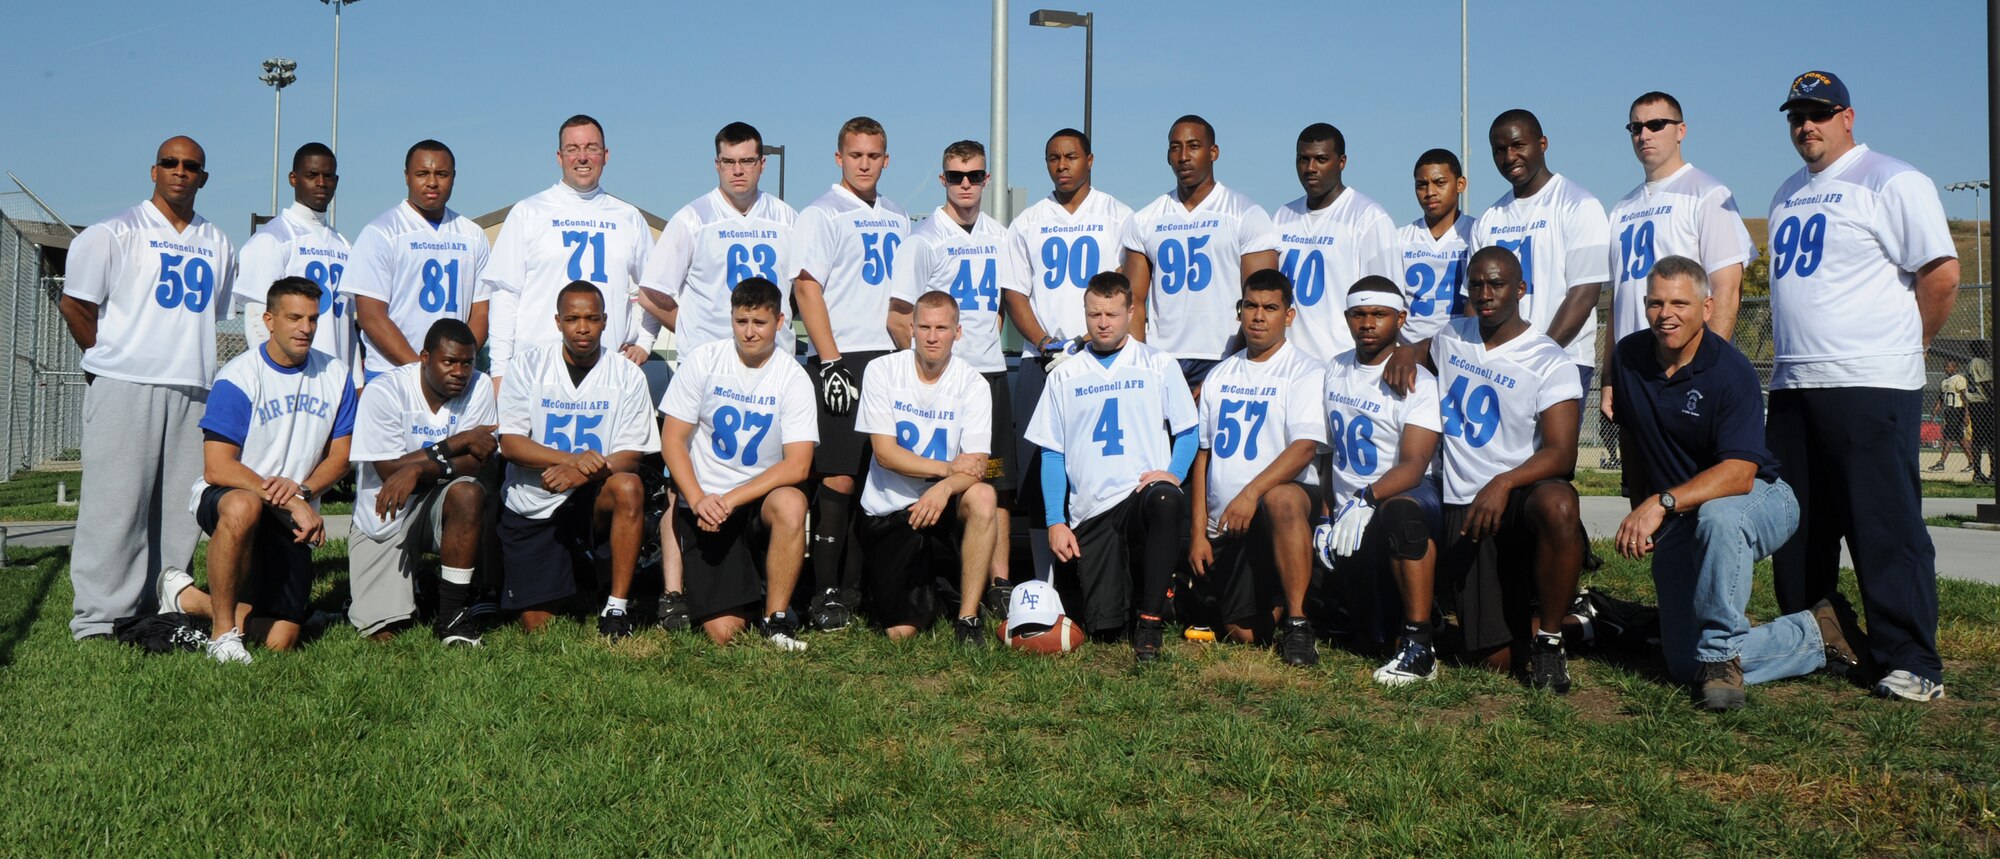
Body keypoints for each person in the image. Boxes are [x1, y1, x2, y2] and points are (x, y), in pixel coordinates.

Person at [1764, 71, 1960, 702]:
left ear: (1847, 116)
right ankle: (1813, 634)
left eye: (1819, 113)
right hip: (1796, 382)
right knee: (1798, 526)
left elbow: (1941, 273)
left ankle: (1911, 659)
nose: (1806, 126)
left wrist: (1909, 346)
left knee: (1883, 524)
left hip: (1871, 381)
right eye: (1796, 115)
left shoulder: (1891, 178)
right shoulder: (1787, 192)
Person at [1610, 255, 1860, 710]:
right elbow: (1633, 433)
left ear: (1707, 308)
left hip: (1759, 498)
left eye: (1680, 303)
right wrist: (1641, 501)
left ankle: (1722, 656)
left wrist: (1660, 502)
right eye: (1655, 303)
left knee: (1718, 516)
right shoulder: (1628, 357)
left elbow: (1740, 473)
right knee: (1685, 664)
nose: (1666, 314)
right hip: (1681, 512)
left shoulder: (1731, 371)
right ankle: (1814, 633)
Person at [58, 135, 236, 641]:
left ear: (203, 177)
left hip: (193, 385)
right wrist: (104, 360)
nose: (180, 171)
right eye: (170, 163)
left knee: (180, 511)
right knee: (116, 505)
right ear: (153, 170)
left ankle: (164, 604)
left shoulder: (218, 242)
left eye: (192, 165)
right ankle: (97, 617)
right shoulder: (114, 232)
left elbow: (211, 315)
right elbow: (76, 304)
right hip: (127, 383)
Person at [156, 276, 354, 663]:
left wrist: (302, 493)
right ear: (268, 319)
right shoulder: (238, 376)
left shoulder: (337, 375)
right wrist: (286, 498)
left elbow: (341, 458)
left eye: (313, 319)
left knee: (284, 638)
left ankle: (189, 598)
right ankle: (223, 635)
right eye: (294, 317)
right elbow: (217, 467)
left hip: (291, 504)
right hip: (231, 495)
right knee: (244, 506)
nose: (306, 328)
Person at [1426, 247, 1587, 692]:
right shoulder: (1450, 337)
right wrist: (1405, 355)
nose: (1484, 293)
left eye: (1496, 284)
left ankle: (1552, 642)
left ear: (1520, 289)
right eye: (1475, 284)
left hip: (1517, 499)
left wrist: (1505, 480)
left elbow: (1562, 453)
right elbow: (1421, 349)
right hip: (1465, 505)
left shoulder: (1548, 359)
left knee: (1559, 502)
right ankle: (1586, 619)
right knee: (1494, 660)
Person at [1025, 272, 1199, 664]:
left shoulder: (1157, 363)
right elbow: (1052, 454)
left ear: (1131, 312)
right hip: (1092, 512)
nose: (1103, 323)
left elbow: (1188, 432)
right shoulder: (1064, 375)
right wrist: (1056, 520)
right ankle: (1159, 599)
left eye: (1112, 314)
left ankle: (1151, 624)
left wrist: (1173, 472)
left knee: (1168, 498)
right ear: (1085, 314)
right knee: (1104, 629)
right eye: (1094, 314)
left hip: (1140, 497)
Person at [791, 116, 915, 631]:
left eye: (874, 155)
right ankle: (825, 593)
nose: (865, 164)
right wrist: (830, 360)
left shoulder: (899, 215)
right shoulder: (821, 213)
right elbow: (805, 288)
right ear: (839, 157)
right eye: (855, 155)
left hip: (889, 357)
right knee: (838, 476)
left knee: (875, 477)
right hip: (844, 356)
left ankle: (860, 590)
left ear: (886, 159)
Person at [1001, 128, 1133, 583]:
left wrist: (1090, 340)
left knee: (1100, 468)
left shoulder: (1119, 215)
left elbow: (1126, 284)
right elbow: (1015, 292)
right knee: (1041, 472)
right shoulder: (1028, 221)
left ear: (1090, 160)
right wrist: (1044, 343)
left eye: (1071, 156)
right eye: (1054, 158)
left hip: (1100, 359)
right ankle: (1043, 584)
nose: (1062, 165)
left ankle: (1101, 578)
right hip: (1046, 362)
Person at [658, 277, 816, 649]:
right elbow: (672, 440)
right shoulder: (704, 360)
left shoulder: (793, 377)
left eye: (759, 323)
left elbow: (798, 466)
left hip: (754, 503)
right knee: (724, 632)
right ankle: (737, 592)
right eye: (741, 321)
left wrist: (732, 499)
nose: (749, 332)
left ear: (779, 322)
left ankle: (776, 618)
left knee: (793, 502)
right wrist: (698, 499)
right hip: (708, 503)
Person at [1602, 92, 1757, 470]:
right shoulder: (1622, 208)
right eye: (1636, 127)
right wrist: (1610, 375)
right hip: (1637, 371)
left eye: (1657, 124)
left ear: (1681, 130)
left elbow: (1727, 289)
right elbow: (1618, 300)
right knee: (1641, 493)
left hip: (1685, 370)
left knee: (1695, 486)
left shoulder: (1707, 194)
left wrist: (1708, 369)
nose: (1645, 134)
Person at [495, 282, 659, 639]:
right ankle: (576, 578)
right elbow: (509, 443)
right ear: (557, 322)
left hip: (594, 496)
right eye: (572, 318)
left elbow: (632, 455)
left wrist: (582, 475)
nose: (582, 327)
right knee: (537, 625)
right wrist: (572, 462)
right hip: (534, 498)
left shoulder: (627, 373)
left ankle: (617, 607)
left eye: (590, 318)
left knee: (629, 486)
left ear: (604, 321)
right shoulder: (527, 366)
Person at [1185, 269, 1325, 665]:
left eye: (1270, 308)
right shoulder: (1219, 374)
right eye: (1250, 306)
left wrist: (1251, 494)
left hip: (1274, 513)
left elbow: (1304, 448)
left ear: (1289, 316)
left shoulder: (1305, 370)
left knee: (1280, 499)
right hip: (1226, 526)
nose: (1258, 316)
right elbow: (1203, 455)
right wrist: (1198, 532)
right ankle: (1286, 593)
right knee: (1242, 632)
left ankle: (1299, 623)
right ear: (1239, 311)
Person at [1316, 278, 1447, 685]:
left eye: (1379, 314)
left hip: (1392, 500)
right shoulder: (1334, 368)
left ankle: (1420, 642)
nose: (1368, 323)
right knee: (1368, 638)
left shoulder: (1419, 382)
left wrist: (1367, 497)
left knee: (1402, 513)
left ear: (1400, 318)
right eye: (1359, 314)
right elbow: (1325, 453)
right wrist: (1324, 514)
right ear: (1347, 318)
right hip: (1346, 511)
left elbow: (1414, 463)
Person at [855, 291, 1001, 646]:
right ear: (911, 328)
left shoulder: (974, 384)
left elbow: (981, 465)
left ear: (958, 332)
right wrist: (948, 470)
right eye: (925, 327)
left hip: (943, 505)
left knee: (984, 495)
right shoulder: (882, 371)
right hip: (890, 510)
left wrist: (944, 488)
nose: (933, 336)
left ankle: (968, 619)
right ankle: (932, 593)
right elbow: (886, 454)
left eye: (942, 327)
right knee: (899, 633)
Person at [905, 140, 1014, 607]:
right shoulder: (924, 239)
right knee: (942, 478)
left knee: (996, 480)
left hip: (990, 375)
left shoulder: (1001, 235)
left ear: (987, 179)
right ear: (942, 180)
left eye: (973, 176)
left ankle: (1000, 584)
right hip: (945, 380)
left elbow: (1004, 306)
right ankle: (936, 579)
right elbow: (899, 315)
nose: (965, 184)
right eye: (955, 176)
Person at [344, 319, 498, 645]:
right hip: (385, 510)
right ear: (424, 358)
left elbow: (477, 461)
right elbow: (388, 470)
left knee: (469, 493)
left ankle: (453, 618)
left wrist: (417, 469)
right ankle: (422, 586)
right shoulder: (384, 390)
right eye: (449, 362)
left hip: (438, 501)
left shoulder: (480, 386)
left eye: (467, 362)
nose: (460, 372)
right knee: (382, 632)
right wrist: (456, 443)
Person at [484, 115, 654, 385]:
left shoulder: (629, 217)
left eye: (592, 148)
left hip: (606, 374)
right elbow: (506, 295)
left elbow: (654, 290)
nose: (582, 157)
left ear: (606, 154)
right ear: (559, 156)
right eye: (573, 149)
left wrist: (644, 342)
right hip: (537, 372)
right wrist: (499, 372)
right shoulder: (528, 213)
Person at [1122, 114, 1280, 390]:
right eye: (1175, 147)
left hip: (1223, 355)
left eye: (1193, 146)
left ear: (1213, 152)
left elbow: (1261, 299)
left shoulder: (1245, 214)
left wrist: (1231, 365)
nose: (1183, 156)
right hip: (1163, 358)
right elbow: (1134, 298)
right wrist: (1142, 363)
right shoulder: (1145, 219)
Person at [1469, 110, 1611, 406]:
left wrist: (1536, 357)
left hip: (1560, 360)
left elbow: (1584, 295)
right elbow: (1473, 301)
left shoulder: (1579, 205)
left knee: (1554, 453)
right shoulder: (1488, 219)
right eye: (1499, 150)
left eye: (1518, 145)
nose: (1509, 157)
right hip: (1497, 365)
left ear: (1542, 143)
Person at [640, 121, 799, 359]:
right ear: (717, 165)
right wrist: (690, 331)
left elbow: (804, 290)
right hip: (709, 363)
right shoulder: (692, 220)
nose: (737, 170)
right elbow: (650, 294)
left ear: (762, 164)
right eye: (728, 161)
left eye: (747, 161)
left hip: (775, 362)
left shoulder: (787, 218)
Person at [348, 140, 491, 382]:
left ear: (454, 177)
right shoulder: (381, 232)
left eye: (442, 174)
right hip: (391, 375)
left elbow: (481, 312)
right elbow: (370, 316)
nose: (432, 182)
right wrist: (422, 371)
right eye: (422, 173)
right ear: (407, 176)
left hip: (454, 380)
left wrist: (457, 364)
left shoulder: (472, 234)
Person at [1270, 122, 1397, 360]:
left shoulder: (1368, 218)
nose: (1310, 168)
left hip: (1339, 362)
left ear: (1342, 162)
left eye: (1321, 159)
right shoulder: (1281, 216)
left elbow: (1386, 303)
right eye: (1303, 159)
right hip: (1287, 363)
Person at [236, 143, 357, 384]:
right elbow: (257, 317)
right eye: (312, 175)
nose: (321, 183)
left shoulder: (344, 245)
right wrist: (274, 376)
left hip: (336, 380)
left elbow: (348, 326)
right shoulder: (273, 238)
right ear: (293, 178)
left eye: (328, 176)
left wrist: (356, 381)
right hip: (291, 378)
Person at [1396, 149, 1474, 346]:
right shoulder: (1400, 239)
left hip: (1459, 348)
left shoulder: (1476, 233)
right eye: (1421, 185)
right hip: (1409, 353)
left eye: (1440, 183)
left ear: (1460, 184)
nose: (1430, 192)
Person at [1933, 358, 1974, 473]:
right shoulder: (1944, 381)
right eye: (1945, 366)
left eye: (1949, 366)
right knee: (1959, 438)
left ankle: (1941, 462)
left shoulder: (1959, 379)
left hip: (1957, 410)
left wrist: (1966, 413)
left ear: (1956, 368)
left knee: (1949, 437)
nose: (1947, 368)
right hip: (1949, 411)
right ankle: (1972, 461)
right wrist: (1934, 412)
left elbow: (1964, 397)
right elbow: (1941, 399)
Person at [1966, 348, 1994, 484]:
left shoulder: (1972, 362)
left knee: (1978, 439)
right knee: (1990, 439)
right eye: (1984, 346)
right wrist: (1994, 399)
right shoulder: (1980, 362)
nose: (1987, 349)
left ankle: (1978, 473)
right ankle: (1993, 473)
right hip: (1983, 403)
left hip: (1975, 403)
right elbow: (1985, 383)